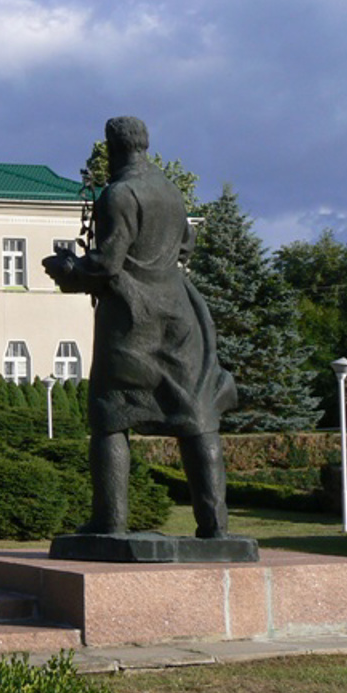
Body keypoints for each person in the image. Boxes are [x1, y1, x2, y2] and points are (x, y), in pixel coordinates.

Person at [43, 116, 237, 538]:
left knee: (110, 418)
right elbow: (186, 245)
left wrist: (67, 269)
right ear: (145, 146)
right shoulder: (169, 191)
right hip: (182, 316)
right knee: (196, 413)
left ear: (111, 148)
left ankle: (110, 523)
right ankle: (215, 526)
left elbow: (107, 265)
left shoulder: (120, 194)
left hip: (131, 320)